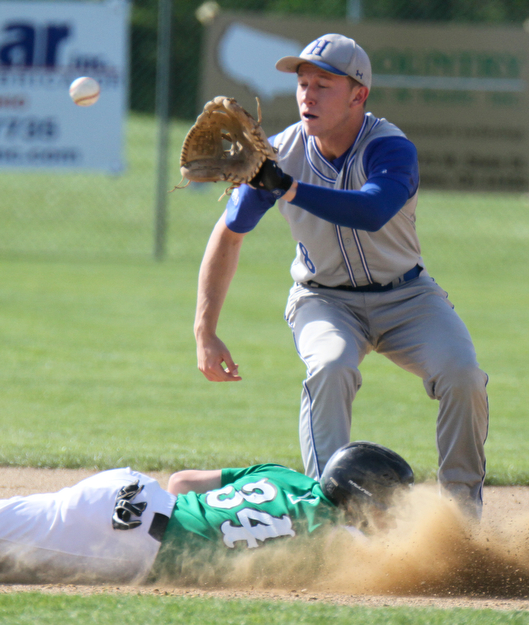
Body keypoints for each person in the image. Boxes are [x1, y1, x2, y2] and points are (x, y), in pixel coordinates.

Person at [194, 33, 489, 519]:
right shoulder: (278, 155)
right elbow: (228, 235)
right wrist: (204, 331)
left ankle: (462, 522)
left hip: (407, 296)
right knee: (330, 366)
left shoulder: (390, 148)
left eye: (323, 84)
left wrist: (287, 189)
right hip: (323, 300)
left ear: (359, 95)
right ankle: (326, 519)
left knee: (463, 376)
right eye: (302, 83)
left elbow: (372, 210)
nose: (307, 93)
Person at [0, 441, 413, 584]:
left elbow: (181, 481)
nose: (392, 517)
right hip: (129, 541)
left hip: (132, 492)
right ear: (361, 495)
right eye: (389, 503)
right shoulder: (339, 539)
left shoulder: (283, 475)